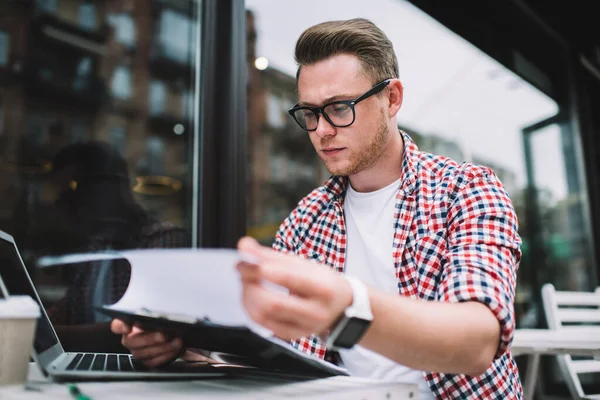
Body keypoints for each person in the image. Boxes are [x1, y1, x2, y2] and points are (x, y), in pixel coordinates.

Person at [111, 18, 522, 399]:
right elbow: (279, 351)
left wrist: (347, 309)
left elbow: (477, 342)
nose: (322, 131)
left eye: (340, 108)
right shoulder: (306, 219)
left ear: (392, 98)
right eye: (309, 113)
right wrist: (185, 350)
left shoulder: (466, 189)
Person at [33, 141, 189, 352]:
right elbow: (70, 307)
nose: (61, 201)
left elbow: (139, 334)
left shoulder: (161, 241)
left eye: (73, 187)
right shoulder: (97, 245)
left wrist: (38, 335)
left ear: (109, 187)